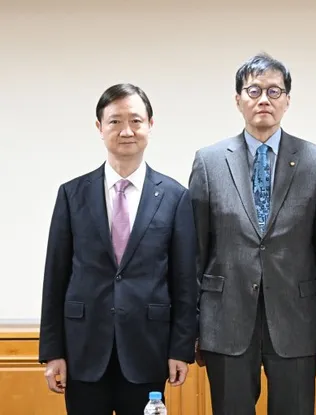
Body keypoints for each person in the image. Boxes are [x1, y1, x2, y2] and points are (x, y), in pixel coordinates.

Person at [189, 53, 316, 415]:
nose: (263, 100)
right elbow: (195, 251)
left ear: (287, 100)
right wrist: (191, 325)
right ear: (238, 99)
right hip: (225, 319)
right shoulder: (209, 161)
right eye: (253, 90)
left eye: (274, 91)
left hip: (297, 319)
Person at [38, 83, 198, 415]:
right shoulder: (72, 194)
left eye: (135, 121)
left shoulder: (174, 196)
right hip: (83, 351)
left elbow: (184, 281)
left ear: (150, 125)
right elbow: (55, 277)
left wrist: (180, 349)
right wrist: (52, 351)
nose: (126, 131)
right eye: (115, 121)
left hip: (148, 349)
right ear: (99, 127)